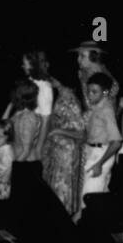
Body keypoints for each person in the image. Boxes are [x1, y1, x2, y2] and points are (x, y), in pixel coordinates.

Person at [42, 80, 87, 219]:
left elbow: (81, 133)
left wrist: (57, 131)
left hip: (66, 156)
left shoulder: (69, 99)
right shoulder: (63, 95)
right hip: (59, 154)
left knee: (62, 196)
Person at [80, 72, 123, 204]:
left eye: (94, 92)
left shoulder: (106, 110)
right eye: (89, 91)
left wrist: (100, 164)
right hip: (93, 152)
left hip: (100, 155)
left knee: (88, 199)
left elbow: (116, 142)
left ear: (104, 92)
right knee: (96, 198)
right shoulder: (96, 107)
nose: (90, 95)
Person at [9, 79, 44, 190]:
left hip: (26, 165)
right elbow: (3, 125)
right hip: (20, 163)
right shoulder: (20, 114)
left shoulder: (28, 118)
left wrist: (11, 172)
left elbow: (26, 149)